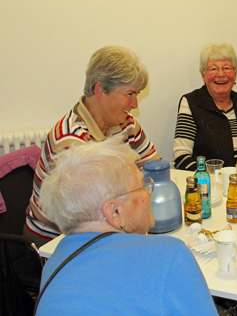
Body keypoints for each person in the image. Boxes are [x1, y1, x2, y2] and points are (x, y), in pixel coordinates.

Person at [30, 138, 237, 316]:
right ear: (115, 212)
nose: (149, 193)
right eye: (141, 186)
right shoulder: (168, 256)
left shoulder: (54, 262)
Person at [25, 46, 160, 246]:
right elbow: (90, 217)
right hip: (56, 243)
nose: (135, 104)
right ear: (100, 90)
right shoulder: (71, 141)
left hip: (107, 226)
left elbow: (156, 169)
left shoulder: (126, 124)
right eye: (130, 94)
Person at [173, 43, 237, 180]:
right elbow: (181, 156)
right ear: (203, 75)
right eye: (213, 69)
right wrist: (211, 182)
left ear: (235, 73)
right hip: (212, 189)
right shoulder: (192, 103)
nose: (221, 74)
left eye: (226, 68)